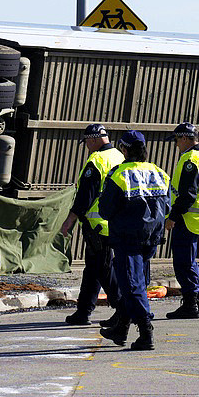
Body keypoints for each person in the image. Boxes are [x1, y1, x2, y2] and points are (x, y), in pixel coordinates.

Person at [97, 130, 171, 351]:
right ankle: (121, 329)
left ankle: (146, 331)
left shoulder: (119, 175)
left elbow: (105, 210)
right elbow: (167, 206)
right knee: (137, 281)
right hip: (151, 238)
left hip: (127, 238)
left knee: (132, 285)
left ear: (124, 150)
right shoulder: (159, 173)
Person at [60, 124, 125, 326]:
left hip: (97, 225)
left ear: (94, 139)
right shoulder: (119, 156)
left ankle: (123, 309)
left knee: (104, 269)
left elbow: (85, 197)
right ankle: (83, 311)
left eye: (87, 142)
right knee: (93, 269)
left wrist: (69, 221)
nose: (87, 146)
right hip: (115, 223)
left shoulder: (97, 160)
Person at [164, 122, 199, 319]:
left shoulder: (191, 160)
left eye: (177, 140)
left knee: (183, 263)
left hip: (187, 219)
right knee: (189, 261)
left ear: (185, 138)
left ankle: (190, 304)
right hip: (198, 219)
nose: (176, 144)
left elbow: (187, 195)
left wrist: (172, 217)